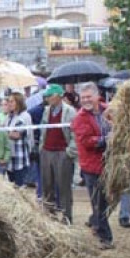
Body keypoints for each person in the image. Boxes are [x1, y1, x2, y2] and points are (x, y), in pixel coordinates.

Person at [71, 83, 114, 250]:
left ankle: (96, 224)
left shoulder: (108, 110)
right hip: (92, 167)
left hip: (110, 164)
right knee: (99, 202)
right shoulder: (80, 118)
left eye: (89, 97)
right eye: (83, 98)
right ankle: (105, 237)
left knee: (106, 201)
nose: (86, 100)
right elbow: (86, 141)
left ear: (97, 96)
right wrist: (105, 140)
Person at [38, 84, 78, 224]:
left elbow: (75, 133)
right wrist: (42, 148)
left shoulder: (70, 111)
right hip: (47, 151)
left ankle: (67, 216)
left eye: (51, 95)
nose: (48, 98)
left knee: (64, 186)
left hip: (62, 152)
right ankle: (50, 214)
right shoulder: (47, 110)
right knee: (47, 185)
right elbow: (44, 130)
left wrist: (70, 152)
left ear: (59, 96)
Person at [4, 92, 33, 187]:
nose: (9, 103)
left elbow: (16, 135)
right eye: (8, 101)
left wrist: (4, 133)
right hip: (10, 157)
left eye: (12, 101)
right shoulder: (9, 117)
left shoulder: (24, 116)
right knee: (12, 185)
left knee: (20, 186)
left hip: (20, 157)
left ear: (18, 102)